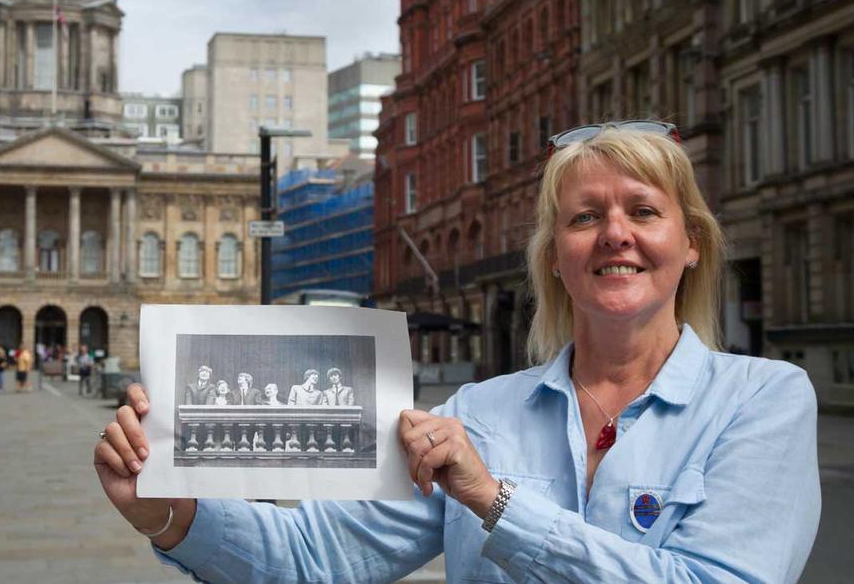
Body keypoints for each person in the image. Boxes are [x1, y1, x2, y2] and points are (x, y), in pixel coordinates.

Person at [93, 124, 821, 582]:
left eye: (644, 210)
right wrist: (176, 513)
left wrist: (495, 499)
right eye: (585, 216)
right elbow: (315, 555)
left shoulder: (764, 398)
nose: (614, 234)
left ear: (690, 244)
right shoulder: (477, 412)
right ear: (555, 259)